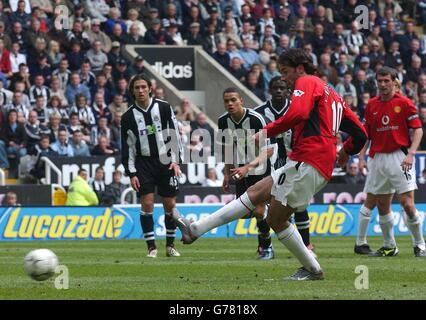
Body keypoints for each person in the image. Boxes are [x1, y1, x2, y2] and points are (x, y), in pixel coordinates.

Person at [174, 48, 367, 280]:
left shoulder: (306, 81)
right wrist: (346, 150)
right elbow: (360, 133)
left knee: (275, 219)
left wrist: (267, 130)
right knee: (255, 192)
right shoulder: (332, 93)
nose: (284, 78)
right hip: (310, 160)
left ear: (299, 68)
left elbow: (298, 113)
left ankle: (313, 269)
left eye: (285, 72)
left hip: (309, 159)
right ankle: (195, 230)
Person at [354, 66, 426, 257]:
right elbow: (366, 134)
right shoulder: (372, 105)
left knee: (408, 204)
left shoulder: (404, 103)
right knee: (382, 204)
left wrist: (411, 154)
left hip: (399, 157)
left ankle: (420, 244)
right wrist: (361, 157)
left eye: (387, 81)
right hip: (377, 159)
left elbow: (418, 130)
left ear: (395, 82)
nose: (383, 84)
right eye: (380, 81)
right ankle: (389, 245)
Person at [121, 74, 182, 258]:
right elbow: (127, 147)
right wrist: (131, 173)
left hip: (165, 160)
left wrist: (176, 160)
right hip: (143, 163)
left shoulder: (163, 107)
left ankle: (170, 245)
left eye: (143, 87)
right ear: (132, 91)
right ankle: (151, 247)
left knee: (170, 204)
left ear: (149, 88)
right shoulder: (128, 116)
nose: (140, 90)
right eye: (136, 88)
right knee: (147, 204)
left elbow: (175, 134)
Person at [255, 76, 315, 253]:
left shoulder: (299, 109)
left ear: (288, 91)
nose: (279, 91)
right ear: (270, 90)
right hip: (268, 164)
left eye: (282, 88)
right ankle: (265, 246)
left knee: (300, 203)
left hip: (295, 162)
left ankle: (307, 245)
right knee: (263, 206)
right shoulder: (260, 112)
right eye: (275, 88)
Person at [216, 87, 276, 260]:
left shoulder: (257, 119)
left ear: (241, 100)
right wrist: (226, 174)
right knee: (244, 213)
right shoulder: (223, 121)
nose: (230, 104)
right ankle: (271, 216)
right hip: (240, 172)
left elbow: (269, 151)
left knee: (258, 211)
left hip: (261, 170)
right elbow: (228, 148)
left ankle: (266, 247)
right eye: (226, 101)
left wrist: (248, 167)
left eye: (233, 100)